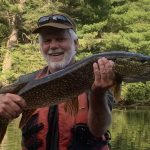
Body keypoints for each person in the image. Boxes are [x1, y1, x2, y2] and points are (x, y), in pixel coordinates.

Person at [0, 13, 115, 150]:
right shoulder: (26, 82)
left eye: (60, 39)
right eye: (47, 41)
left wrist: (98, 95)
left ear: (75, 43)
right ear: (41, 46)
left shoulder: (97, 77)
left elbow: (99, 129)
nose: (53, 46)